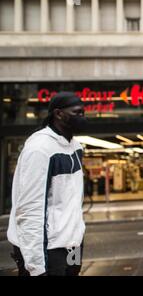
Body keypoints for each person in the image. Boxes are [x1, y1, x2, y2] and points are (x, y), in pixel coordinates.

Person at [8, 92, 87, 276]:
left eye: (83, 112)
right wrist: (36, 266)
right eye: (77, 113)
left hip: (72, 244)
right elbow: (30, 208)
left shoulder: (76, 147)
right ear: (59, 114)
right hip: (49, 249)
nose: (82, 117)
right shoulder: (40, 149)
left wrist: (78, 235)